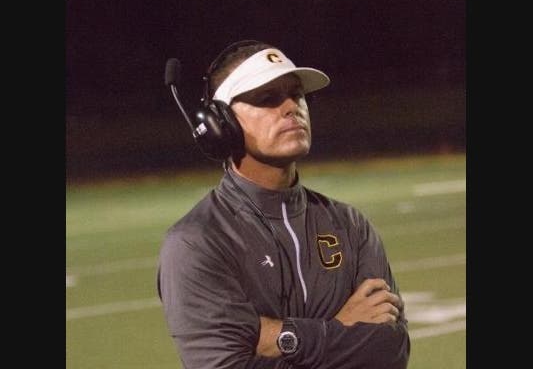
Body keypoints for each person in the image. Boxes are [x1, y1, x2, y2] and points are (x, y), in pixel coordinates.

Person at [157, 40, 410, 368]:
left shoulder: (351, 225)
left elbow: (390, 348)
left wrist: (275, 337)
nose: (291, 107)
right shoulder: (196, 242)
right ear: (220, 124)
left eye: (297, 94)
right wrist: (341, 328)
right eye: (267, 98)